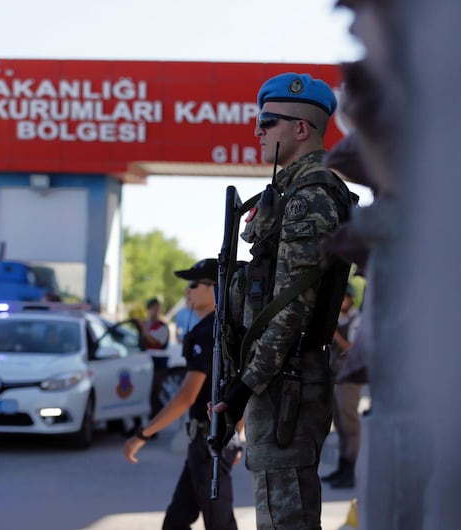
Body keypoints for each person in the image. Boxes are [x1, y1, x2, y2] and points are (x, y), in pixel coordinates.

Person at [210, 73, 353, 529]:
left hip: (286, 377)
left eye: (267, 122)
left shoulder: (309, 197)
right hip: (278, 375)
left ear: (301, 129)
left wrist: (244, 384)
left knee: (284, 515)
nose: (257, 131)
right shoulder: (289, 192)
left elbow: (294, 305)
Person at [124, 259, 239, 530]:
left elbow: (186, 396)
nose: (187, 290)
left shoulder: (211, 331)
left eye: (194, 284)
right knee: (176, 521)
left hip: (209, 442)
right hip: (204, 441)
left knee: (219, 524)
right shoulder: (214, 328)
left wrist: (143, 434)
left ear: (217, 289)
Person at [322, 284, 362, 489]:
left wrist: (335, 334)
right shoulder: (343, 319)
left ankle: (352, 469)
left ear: (351, 299)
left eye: (344, 298)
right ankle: (343, 467)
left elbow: (352, 349)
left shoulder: (357, 320)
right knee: (340, 424)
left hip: (350, 380)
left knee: (350, 426)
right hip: (338, 377)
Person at [142, 297, 171, 417]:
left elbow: (154, 341)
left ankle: (154, 423)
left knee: (154, 394)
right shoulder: (145, 325)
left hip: (158, 364)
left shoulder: (161, 326)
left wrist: (142, 329)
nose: (156, 312)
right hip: (143, 363)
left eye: (157, 309)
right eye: (154, 309)